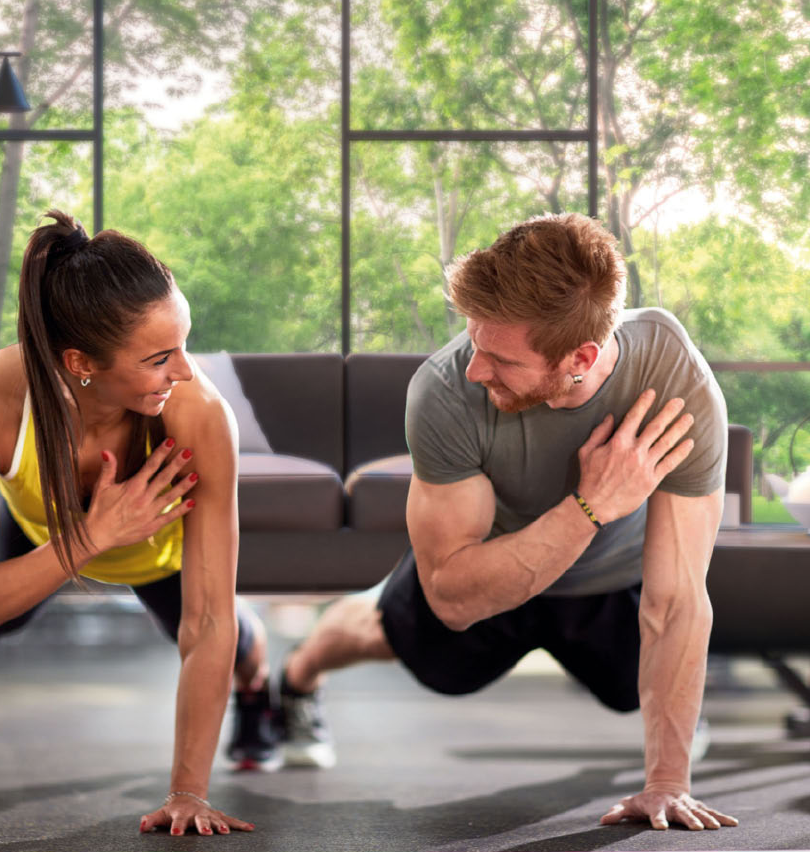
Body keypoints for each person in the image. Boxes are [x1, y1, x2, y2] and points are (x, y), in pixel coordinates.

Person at [276, 213, 739, 833]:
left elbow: (678, 600)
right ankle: (297, 677)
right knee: (391, 637)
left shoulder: (673, 377)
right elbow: (452, 601)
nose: (474, 368)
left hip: (611, 585)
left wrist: (667, 781)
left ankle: (675, 713)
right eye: (473, 342)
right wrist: (590, 506)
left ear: (581, 356)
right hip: (485, 570)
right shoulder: (442, 391)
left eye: (498, 357)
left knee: (644, 684)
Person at [0, 210, 280, 837]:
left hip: (158, 549)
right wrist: (91, 536)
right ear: (80, 361)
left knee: (237, 648)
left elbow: (208, 620)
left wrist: (187, 791)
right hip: (45, 530)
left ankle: (259, 696)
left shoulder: (198, 413)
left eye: (185, 342)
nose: (184, 370)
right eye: (157, 358)